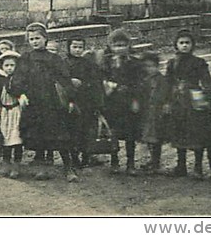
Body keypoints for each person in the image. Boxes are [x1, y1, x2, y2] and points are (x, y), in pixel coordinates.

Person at [9, 22, 79, 182]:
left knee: (59, 137)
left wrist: (70, 99)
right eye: (31, 39)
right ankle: (42, 168)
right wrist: (20, 94)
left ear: (45, 39)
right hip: (34, 103)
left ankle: (69, 168)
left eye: (37, 38)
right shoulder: (25, 58)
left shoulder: (54, 59)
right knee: (38, 136)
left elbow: (65, 80)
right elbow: (18, 79)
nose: (35, 41)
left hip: (52, 103)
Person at [163, 29, 211, 179]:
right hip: (177, 100)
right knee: (179, 131)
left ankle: (198, 167)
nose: (184, 46)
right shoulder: (172, 63)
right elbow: (167, 83)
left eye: (187, 43)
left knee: (196, 132)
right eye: (181, 43)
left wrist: (206, 98)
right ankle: (181, 165)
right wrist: (166, 101)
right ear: (176, 45)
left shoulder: (199, 62)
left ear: (192, 45)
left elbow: (206, 81)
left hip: (194, 100)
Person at [100, 28, 143, 175]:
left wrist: (136, 99)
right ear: (110, 47)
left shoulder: (135, 63)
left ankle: (131, 163)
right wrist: (109, 86)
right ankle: (114, 161)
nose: (120, 49)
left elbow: (139, 83)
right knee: (114, 133)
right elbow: (102, 80)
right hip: (113, 103)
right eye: (116, 45)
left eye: (123, 45)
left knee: (130, 134)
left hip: (128, 102)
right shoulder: (107, 63)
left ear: (128, 46)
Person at [67, 36, 104, 169]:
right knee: (73, 130)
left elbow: (95, 82)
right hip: (71, 101)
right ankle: (74, 157)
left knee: (86, 130)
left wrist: (84, 84)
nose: (77, 50)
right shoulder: (64, 63)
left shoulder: (88, 64)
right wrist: (70, 81)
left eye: (80, 47)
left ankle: (86, 156)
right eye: (74, 47)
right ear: (69, 47)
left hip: (86, 102)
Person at [0, 50, 23, 179]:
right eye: (6, 65)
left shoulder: (18, 80)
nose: (9, 68)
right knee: (5, 138)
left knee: (17, 139)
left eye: (12, 65)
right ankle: (6, 164)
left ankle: (16, 166)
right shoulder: (0, 80)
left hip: (16, 111)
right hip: (4, 112)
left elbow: (18, 93)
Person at [137, 52, 167, 175]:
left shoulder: (161, 79)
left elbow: (164, 94)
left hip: (156, 113)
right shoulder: (143, 79)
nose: (149, 69)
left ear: (157, 66)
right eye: (146, 67)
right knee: (147, 137)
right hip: (146, 112)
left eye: (152, 66)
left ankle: (156, 161)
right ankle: (151, 159)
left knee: (156, 137)